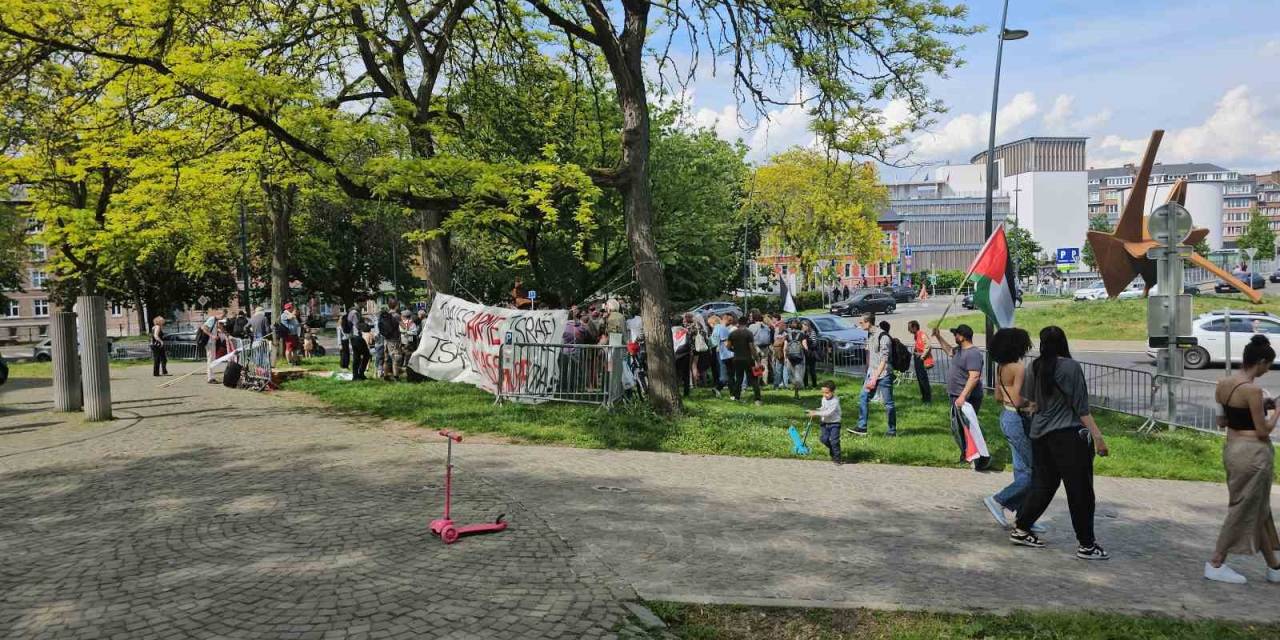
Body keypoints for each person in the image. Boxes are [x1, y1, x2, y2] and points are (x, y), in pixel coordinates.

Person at [1009, 326, 1110, 560]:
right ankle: (1087, 545)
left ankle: (1022, 528)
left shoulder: (1035, 366)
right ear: (1064, 341)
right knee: (1080, 491)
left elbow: (1026, 401)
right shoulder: (1071, 368)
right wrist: (1098, 437)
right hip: (1069, 436)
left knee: (1043, 485)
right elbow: (1081, 408)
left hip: (1040, 435)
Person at [1204, 335, 1280, 584]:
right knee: (1244, 507)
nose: (1268, 370)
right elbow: (1263, 430)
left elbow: (1223, 421)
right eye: (1268, 365)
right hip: (1254, 454)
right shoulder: (1253, 390)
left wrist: (1259, 406)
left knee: (1257, 507)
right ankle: (1216, 562)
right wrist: (1277, 410)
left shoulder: (1223, 383)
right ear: (1260, 362)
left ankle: (1274, 567)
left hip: (1232, 449)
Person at [983, 328, 1044, 533]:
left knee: (1021, 469)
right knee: (1035, 471)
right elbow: (1019, 399)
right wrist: (1034, 402)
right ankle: (999, 499)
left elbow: (999, 397)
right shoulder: (1019, 368)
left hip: (1006, 416)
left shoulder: (1001, 367)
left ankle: (1024, 517)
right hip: (1018, 419)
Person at [850, 315, 896, 437]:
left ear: (868, 322)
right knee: (863, 397)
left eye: (861, 322)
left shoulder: (883, 337)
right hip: (872, 373)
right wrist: (868, 370)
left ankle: (891, 430)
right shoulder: (870, 335)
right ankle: (862, 427)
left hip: (884, 374)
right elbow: (871, 354)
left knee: (888, 404)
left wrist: (875, 378)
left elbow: (884, 360)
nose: (859, 325)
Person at [933, 324, 984, 412]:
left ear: (962, 337)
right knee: (957, 423)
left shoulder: (973, 353)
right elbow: (949, 351)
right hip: (956, 395)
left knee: (965, 425)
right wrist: (938, 336)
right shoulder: (959, 350)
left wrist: (963, 396)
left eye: (955, 335)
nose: (954, 337)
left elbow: (974, 377)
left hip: (967, 398)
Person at [727, 316, 762, 405]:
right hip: (747, 359)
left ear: (738, 323)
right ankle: (757, 399)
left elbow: (728, 346)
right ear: (746, 323)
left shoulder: (732, 333)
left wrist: (735, 350)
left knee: (739, 378)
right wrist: (757, 359)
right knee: (753, 379)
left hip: (736, 359)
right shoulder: (748, 333)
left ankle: (736, 397)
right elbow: (752, 348)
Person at [808, 380, 844, 465]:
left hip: (834, 424)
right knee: (823, 439)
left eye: (827, 393)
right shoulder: (824, 398)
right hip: (825, 423)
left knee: (835, 441)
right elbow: (824, 408)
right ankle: (832, 449)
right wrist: (816, 410)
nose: (825, 395)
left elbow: (828, 412)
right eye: (823, 393)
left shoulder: (835, 401)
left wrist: (816, 413)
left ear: (833, 392)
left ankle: (837, 458)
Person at [906, 320, 933, 404]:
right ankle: (924, 397)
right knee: (920, 379)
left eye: (910, 328)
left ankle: (927, 399)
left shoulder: (922, 334)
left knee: (923, 379)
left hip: (921, 359)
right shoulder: (916, 335)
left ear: (915, 327)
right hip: (917, 358)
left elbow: (928, 346)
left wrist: (922, 356)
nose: (909, 330)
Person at [379, 299, 403, 380]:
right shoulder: (396, 315)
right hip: (394, 340)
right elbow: (403, 326)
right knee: (395, 358)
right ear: (396, 305)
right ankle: (396, 376)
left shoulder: (386, 314)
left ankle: (386, 376)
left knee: (386, 358)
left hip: (386, 339)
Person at [784, 320, 808, 398]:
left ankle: (795, 392)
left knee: (792, 374)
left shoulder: (787, 335)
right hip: (800, 357)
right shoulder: (802, 335)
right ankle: (797, 393)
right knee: (798, 374)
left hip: (790, 358)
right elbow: (805, 347)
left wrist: (785, 357)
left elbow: (785, 347)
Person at [200, 309, 224, 384]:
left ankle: (211, 377)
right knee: (210, 359)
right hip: (209, 342)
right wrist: (212, 336)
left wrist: (218, 332)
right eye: (222, 316)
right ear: (219, 314)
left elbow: (212, 329)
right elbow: (204, 328)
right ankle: (210, 378)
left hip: (212, 342)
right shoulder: (212, 319)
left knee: (212, 359)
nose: (223, 318)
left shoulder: (215, 320)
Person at [712, 313, 733, 397]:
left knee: (729, 375)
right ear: (725, 319)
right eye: (730, 320)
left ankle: (733, 393)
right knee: (726, 376)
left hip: (719, 353)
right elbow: (726, 343)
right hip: (725, 354)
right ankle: (717, 388)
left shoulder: (716, 327)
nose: (731, 322)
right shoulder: (723, 329)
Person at [349, 306, 371, 381]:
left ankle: (356, 376)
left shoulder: (350, 314)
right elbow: (358, 325)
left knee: (356, 357)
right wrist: (366, 326)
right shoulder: (355, 314)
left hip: (352, 338)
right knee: (366, 355)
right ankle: (360, 373)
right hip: (357, 337)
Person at [802, 318, 819, 388]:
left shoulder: (812, 332)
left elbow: (814, 343)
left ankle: (814, 384)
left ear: (807, 326)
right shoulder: (802, 333)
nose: (803, 327)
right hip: (805, 354)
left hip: (811, 353)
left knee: (812, 370)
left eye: (803, 326)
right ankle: (805, 384)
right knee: (804, 369)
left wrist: (807, 343)